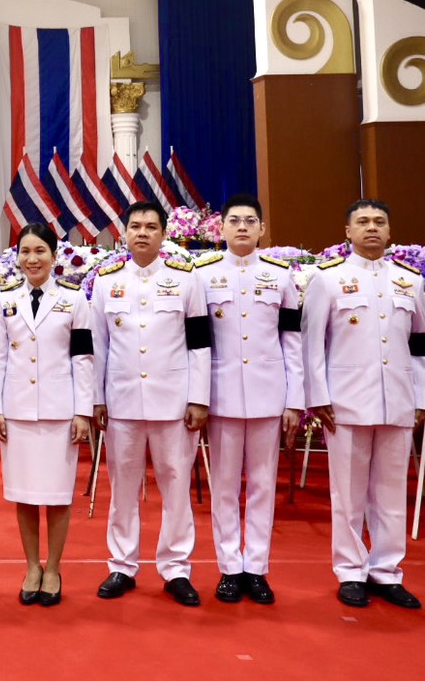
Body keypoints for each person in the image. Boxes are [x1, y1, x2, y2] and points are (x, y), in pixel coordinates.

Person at [303, 199, 425, 610]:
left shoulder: (410, 281)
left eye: (379, 222)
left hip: (398, 399)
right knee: (349, 493)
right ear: (347, 232)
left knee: (391, 493)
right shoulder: (328, 279)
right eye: (363, 222)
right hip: (346, 401)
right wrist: (318, 396)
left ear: (389, 232)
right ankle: (351, 571)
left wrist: (421, 397)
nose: (372, 228)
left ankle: (387, 571)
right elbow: (312, 345)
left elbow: (420, 346)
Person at [91, 201, 211, 606]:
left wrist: (199, 398)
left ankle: (176, 568)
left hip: (173, 402)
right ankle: (122, 565)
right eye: (135, 226)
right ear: (124, 233)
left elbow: (199, 344)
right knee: (123, 487)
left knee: (175, 485)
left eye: (151, 227)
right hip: (121, 401)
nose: (142, 233)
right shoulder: (106, 282)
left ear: (164, 234)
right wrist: (96, 399)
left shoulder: (186, 279)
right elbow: (98, 346)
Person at [194, 193, 302, 605]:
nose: (242, 227)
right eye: (235, 220)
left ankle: (256, 567)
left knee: (262, 485)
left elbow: (292, 341)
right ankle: (229, 567)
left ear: (262, 229)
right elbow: (196, 342)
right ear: (220, 227)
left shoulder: (281, 277)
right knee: (224, 487)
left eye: (250, 221)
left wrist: (294, 400)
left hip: (268, 393)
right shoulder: (202, 275)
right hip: (220, 394)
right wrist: (197, 397)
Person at [0, 223, 94, 607]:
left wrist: (83, 411)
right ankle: (32, 566)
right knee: (25, 495)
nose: (32, 259)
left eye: (40, 251)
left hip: (60, 411)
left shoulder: (74, 300)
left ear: (54, 255)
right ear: (17, 257)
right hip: (17, 411)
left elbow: (83, 359)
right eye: (25, 252)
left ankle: (54, 567)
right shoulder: (4, 300)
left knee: (58, 495)